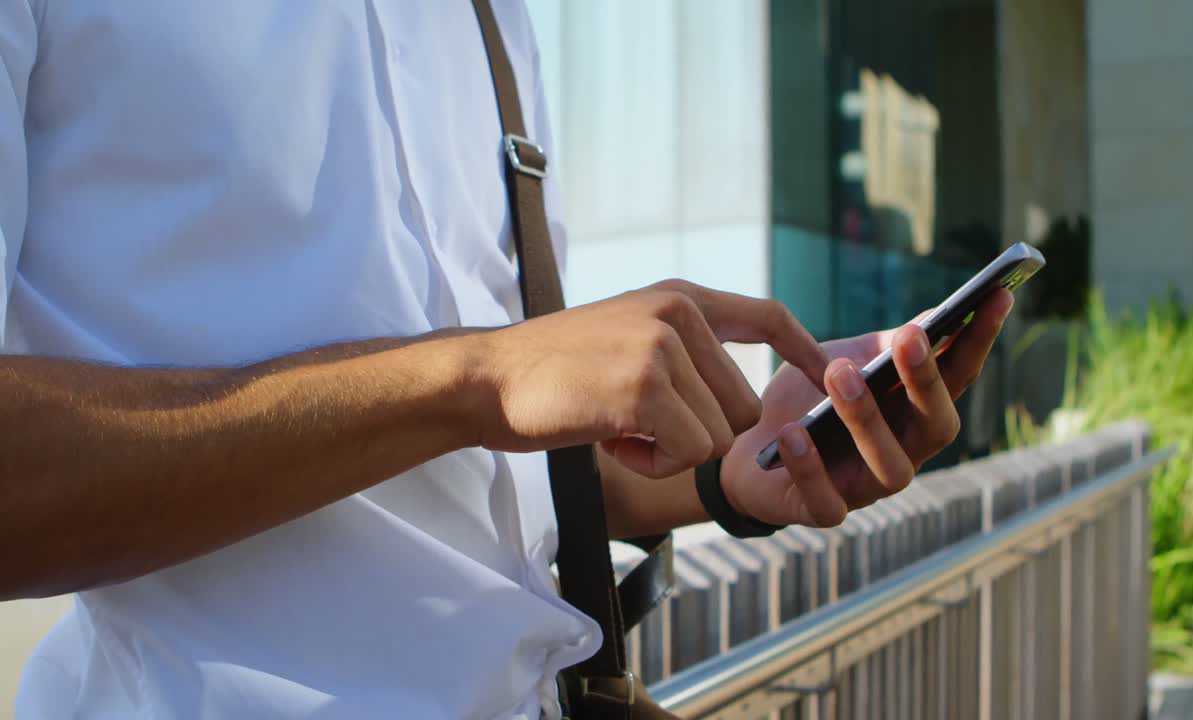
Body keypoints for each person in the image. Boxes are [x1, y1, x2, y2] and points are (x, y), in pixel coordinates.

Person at [0, 1, 1013, 718]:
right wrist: (481, 377)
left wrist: (739, 466)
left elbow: (501, 473)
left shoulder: (487, 19)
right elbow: (488, 392)